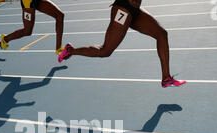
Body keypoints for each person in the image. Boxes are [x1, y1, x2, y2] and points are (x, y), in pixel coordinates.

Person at [58, 0, 186, 88]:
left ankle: (166, 78)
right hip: (123, 8)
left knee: (162, 34)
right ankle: (70, 51)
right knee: (105, 51)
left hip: (135, 10)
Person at [0, 0, 64, 54]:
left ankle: (58, 48)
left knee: (60, 15)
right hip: (28, 2)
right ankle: (5, 39)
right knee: (27, 31)